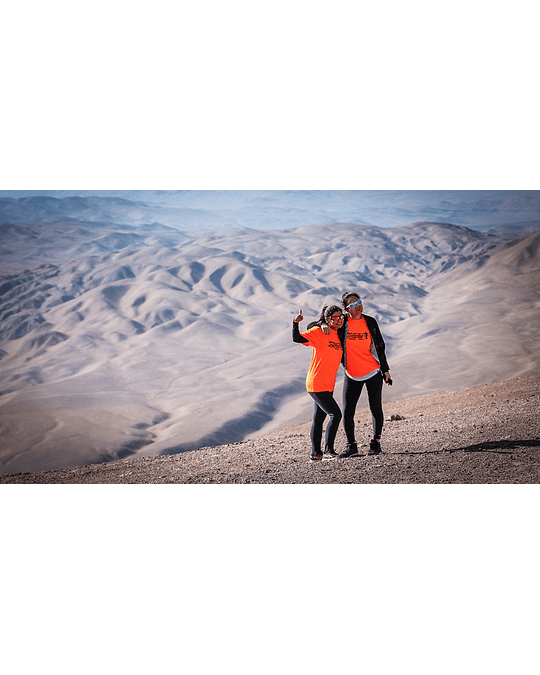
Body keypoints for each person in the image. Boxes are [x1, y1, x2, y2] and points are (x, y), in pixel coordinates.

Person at [317, 292, 391, 458]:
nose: (358, 306)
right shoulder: (342, 323)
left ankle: (376, 444)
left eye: (359, 302)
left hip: (373, 372)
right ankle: (352, 447)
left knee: (376, 409)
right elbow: (317, 323)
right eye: (353, 305)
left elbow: (380, 345)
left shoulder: (370, 321)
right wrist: (322, 323)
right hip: (352, 374)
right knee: (348, 412)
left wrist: (385, 370)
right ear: (346, 310)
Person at [292, 305, 345, 462]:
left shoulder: (339, 334)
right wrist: (295, 323)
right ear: (327, 319)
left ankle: (316, 454)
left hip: (328, 384)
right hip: (316, 382)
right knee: (336, 414)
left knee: (319, 418)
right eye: (335, 318)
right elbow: (298, 338)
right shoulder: (320, 331)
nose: (339, 320)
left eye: (341, 317)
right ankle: (329, 451)